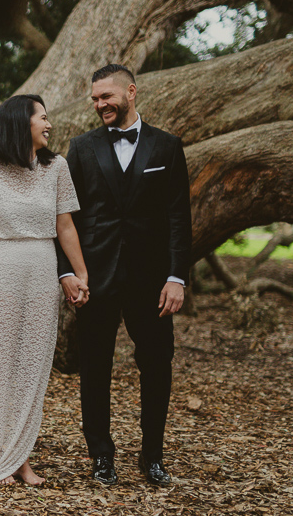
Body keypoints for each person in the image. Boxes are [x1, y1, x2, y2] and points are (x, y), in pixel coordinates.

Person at [57, 64, 192, 487]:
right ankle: (101, 456)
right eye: (95, 99)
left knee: (157, 366)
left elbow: (178, 219)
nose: (100, 106)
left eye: (106, 97)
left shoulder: (167, 147)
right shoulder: (80, 149)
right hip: (94, 279)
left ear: (130, 92)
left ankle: (152, 456)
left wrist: (177, 277)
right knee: (94, 367)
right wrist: (66, 273)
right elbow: (63, 219)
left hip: (152, 283)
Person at [0, 94, 89, 486]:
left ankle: (21, 459)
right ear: (21, 123)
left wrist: (81, 274)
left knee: (32, 368)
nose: (49, 125)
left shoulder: (57, 167)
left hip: (41, 272)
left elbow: (65, 226)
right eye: (43, 118)